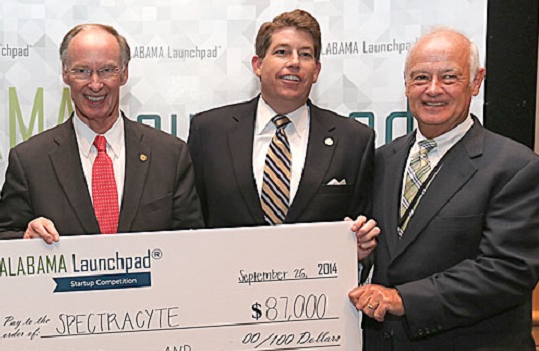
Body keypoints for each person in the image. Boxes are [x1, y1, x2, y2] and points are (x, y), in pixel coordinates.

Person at [348, 27, 539, 350]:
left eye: (449, 77)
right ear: (406, 85)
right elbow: (389, 254)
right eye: (421, 77)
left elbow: (508, 271)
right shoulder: (382, 159)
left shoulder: (516, 166)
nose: (433, 90)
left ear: (476, 82)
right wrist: (360, 255)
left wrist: (402, 299)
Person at [187, 10, 378, 260]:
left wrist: (361, 247)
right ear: (258, 64)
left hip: (314, 294)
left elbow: (363, 228)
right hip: (226, 289)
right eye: (282, 52)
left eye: (305, 54)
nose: (295, 62)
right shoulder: (209, 131)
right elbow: (190, 224)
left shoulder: (354, 140)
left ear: (317, 70)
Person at [0, 23, 203, 242]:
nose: (95, 84)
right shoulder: (30, 161)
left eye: (107, 70)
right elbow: (3, 237)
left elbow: (193, 243)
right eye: (82, 71)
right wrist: (27, 239)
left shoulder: (169, 155)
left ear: (124, 74)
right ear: (65, 73)